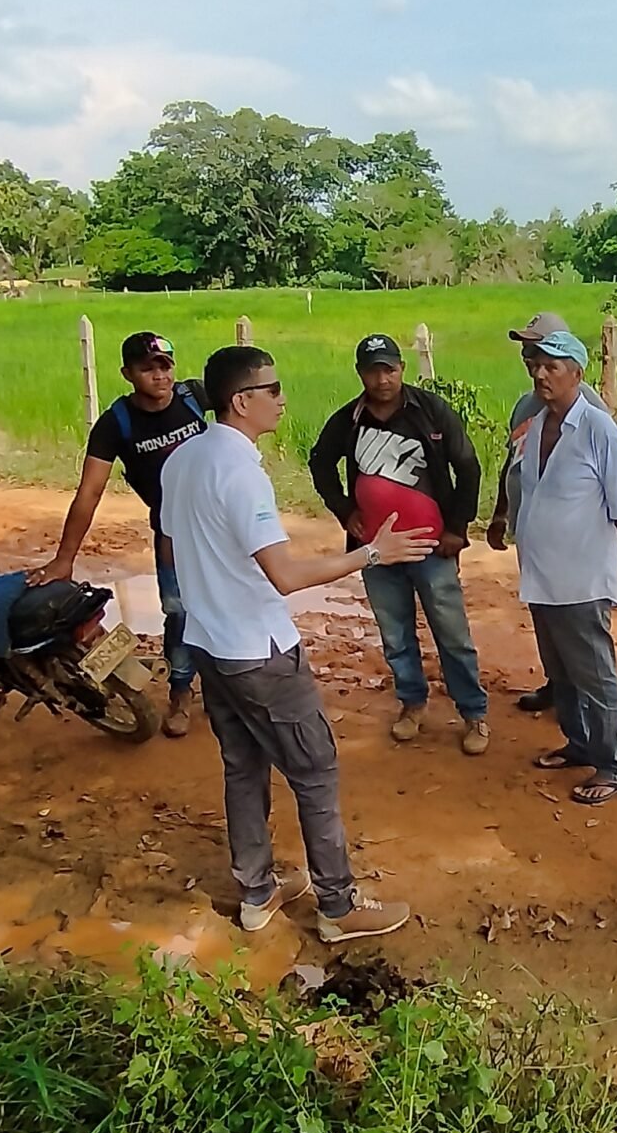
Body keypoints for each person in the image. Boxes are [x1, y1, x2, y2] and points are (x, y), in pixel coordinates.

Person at [161, 344, 435, 940]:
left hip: (209, 643)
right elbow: (284, 576)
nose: (282, 399)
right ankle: (338, 905)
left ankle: (257, 893)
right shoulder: (240, 473)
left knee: (243, 767)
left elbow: (173, 544)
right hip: (258, 650)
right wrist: (371, 554)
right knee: (315, 770)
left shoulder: (183, 459)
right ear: (241, 401)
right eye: (272, 389)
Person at [308, 334, 489, 754]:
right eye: (373, 371)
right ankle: (412, 703)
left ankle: (474, 712)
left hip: (431, 546)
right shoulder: (349, 419)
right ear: (360, 374)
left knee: (452, 633)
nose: (382, 379)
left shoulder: (430, 411)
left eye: (389, 369)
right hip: (376, 548)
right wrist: (344, 510)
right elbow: (320, 462)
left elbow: (468, 466)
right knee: (395, 634)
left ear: (402, 369)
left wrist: (457, 528)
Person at [32, 330, 206, 737]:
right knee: (179, 612)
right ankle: (181, 693)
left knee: (229, 603)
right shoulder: (116, 424)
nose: (160, 376)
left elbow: (243, 408)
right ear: (127, 373)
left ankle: (226, 689)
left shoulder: (194, 396)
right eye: (148, 369)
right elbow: (90, 491)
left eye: (166, 366)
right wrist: (64, 558)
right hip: (173, 531)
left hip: (221, 525)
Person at [513, 328, 617, 807]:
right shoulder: (537, 425)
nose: (540, 374)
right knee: (561, 672)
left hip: (581, 582)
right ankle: (579, 744)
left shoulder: (597, 429)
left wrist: (597, 555)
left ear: (577, 373)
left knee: (594, 675)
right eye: (536, 365)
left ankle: (614, 766)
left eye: (551, 366)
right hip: (541, 577)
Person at [486, 308, 606, 714]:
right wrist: (502, 514)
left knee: (579, 628)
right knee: (544, 617)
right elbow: (514, 463)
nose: (530, 361)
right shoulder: (526, 406)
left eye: (538, 352)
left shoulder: (592, 412)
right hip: (533, 536)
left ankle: (587, 705)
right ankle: (558, 686)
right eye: (527, 354)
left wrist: (602, 548)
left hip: (574, 546)